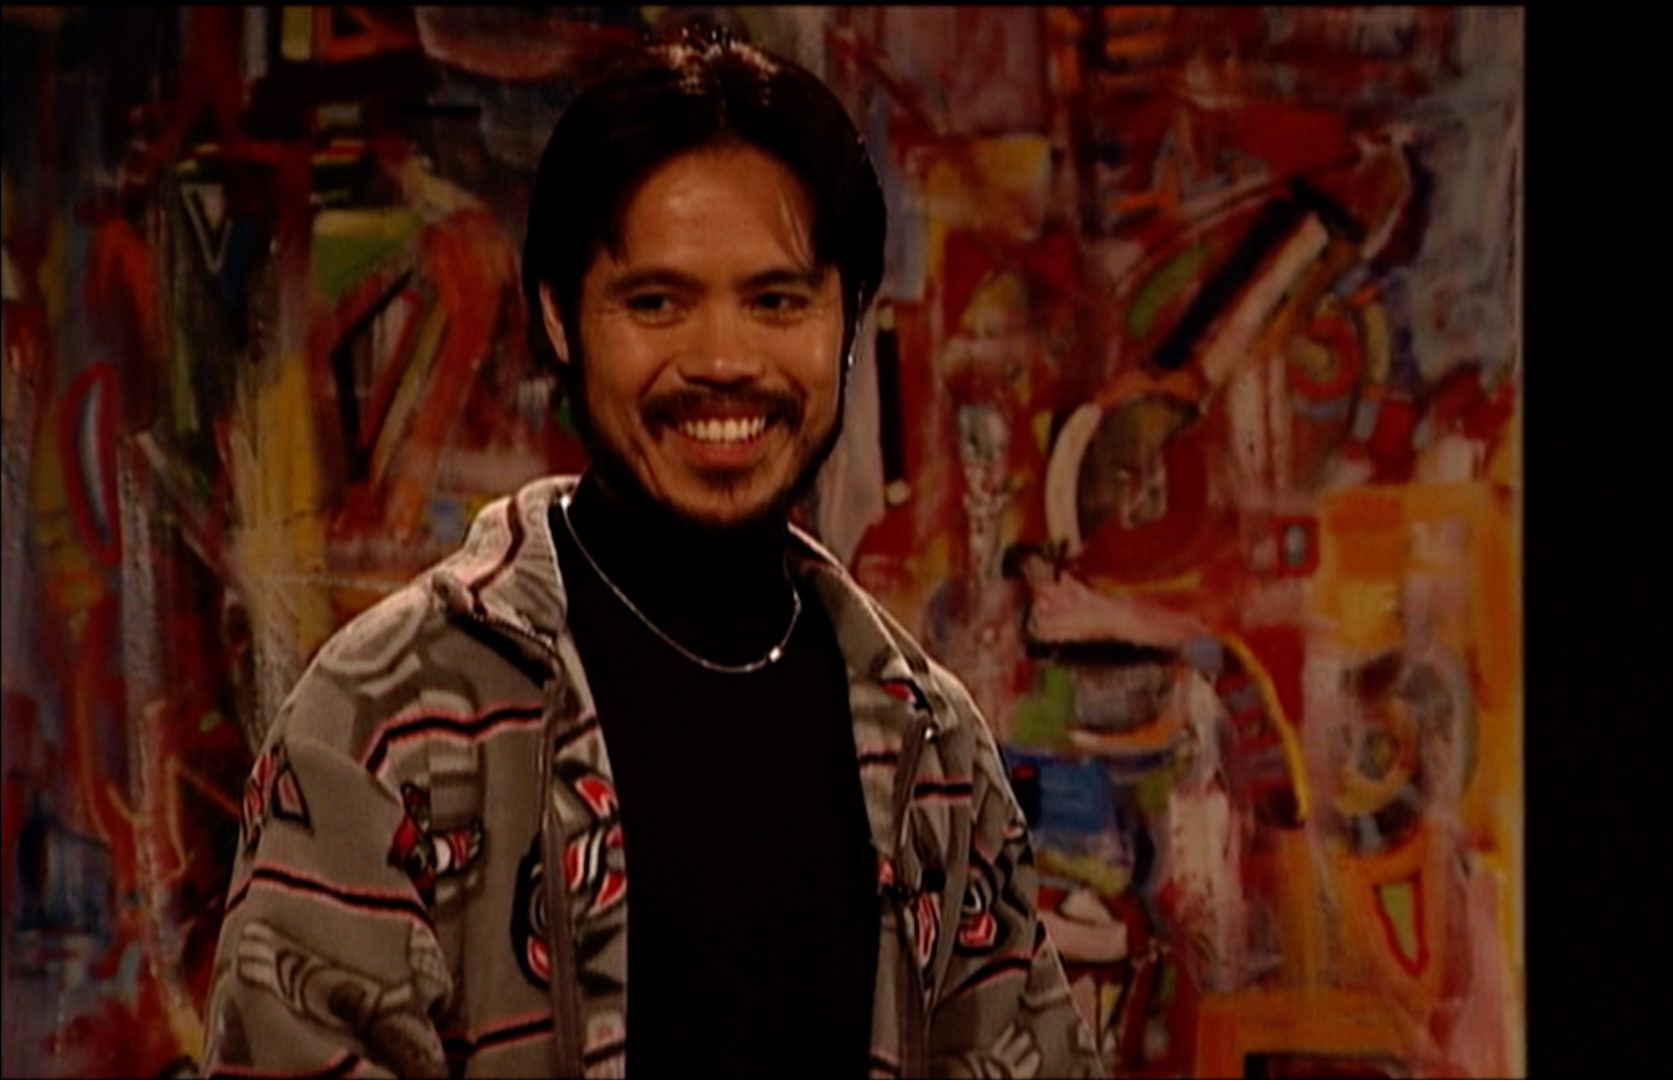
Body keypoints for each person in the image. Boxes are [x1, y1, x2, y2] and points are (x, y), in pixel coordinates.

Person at [200, 29, 1105, 1080]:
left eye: (777, 301)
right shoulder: (388, 719)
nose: (723, 360)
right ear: (559, 317)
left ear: (849, 319)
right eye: (656, 303)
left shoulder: (930, 747)